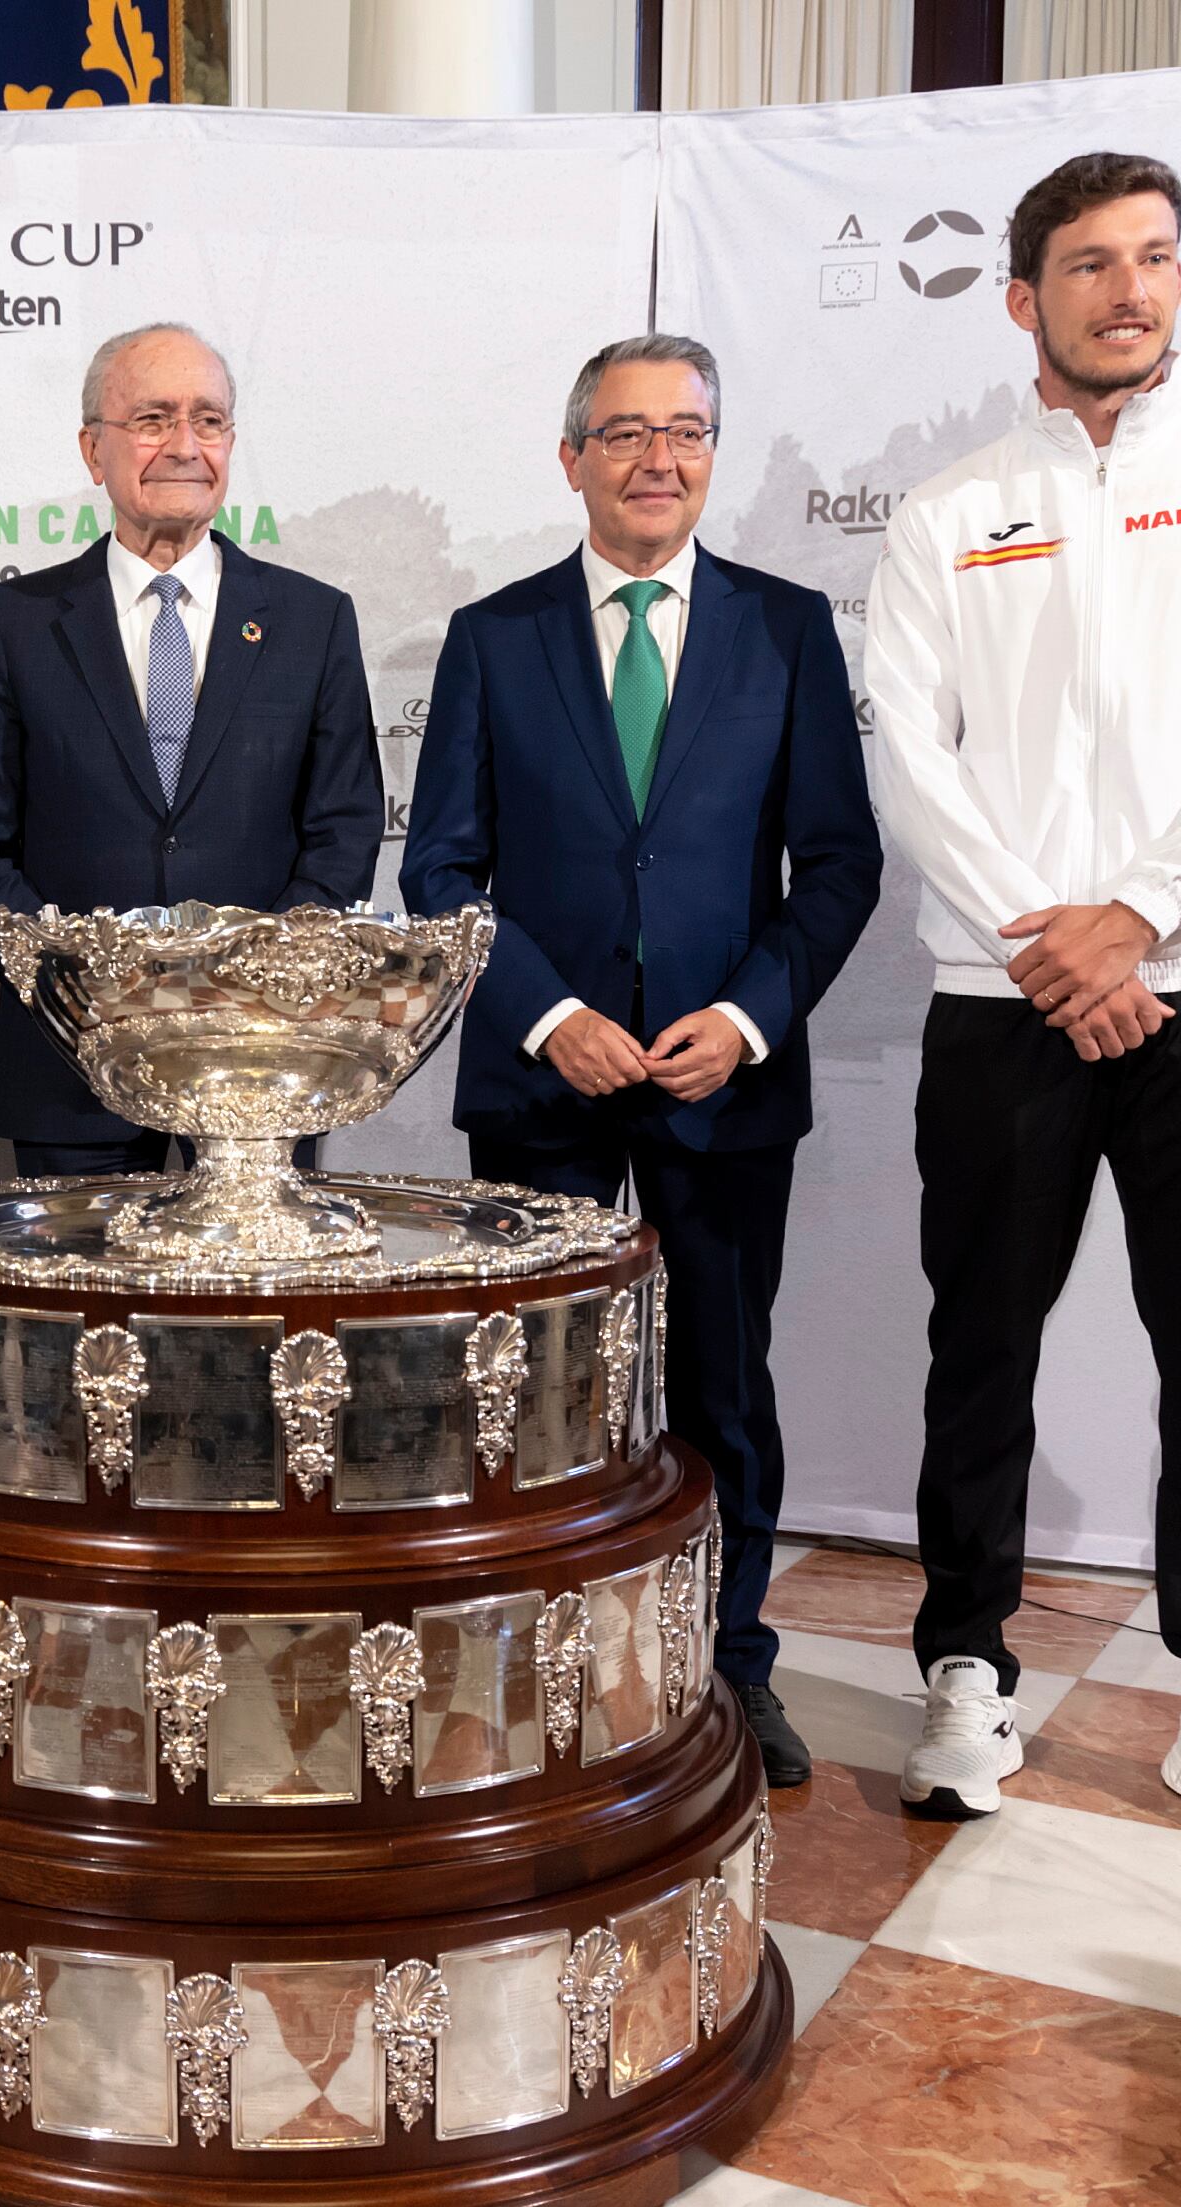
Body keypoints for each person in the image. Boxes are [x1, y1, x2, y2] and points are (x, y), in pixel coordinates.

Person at [863, 152, 1181, 1862]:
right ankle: (961, 1665)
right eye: (1086, 265)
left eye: (1152, 257)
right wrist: (1048, 945)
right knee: (975, 1355)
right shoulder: (941, 512)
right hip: (1000, 1002)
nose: (1127, 291)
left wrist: (1135, 919)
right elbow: (911, 760)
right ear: (1022, 299)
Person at [403, 335, 883, 1791]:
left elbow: (838, 864)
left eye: (682, 432)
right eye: (622, 433)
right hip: (544, 1081)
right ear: (570, 459)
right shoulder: (492, 636)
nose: (654, 458)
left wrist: (740, 1018)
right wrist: (552, 1016)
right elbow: (439, 871)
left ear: (710, 456)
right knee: (534, 1397)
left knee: (720, 1387)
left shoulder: (786, 629)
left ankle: (728, 1666)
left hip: (718, 1081)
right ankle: (530, 1668)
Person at [0, 323, 385, 1173]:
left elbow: (342, 827)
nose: (184, 445)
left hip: (262, 1063)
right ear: (92, 448)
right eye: (152, 418)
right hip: (74, 1062)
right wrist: (83, 992)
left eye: (208, 420)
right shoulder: (15, 625)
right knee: (86, 1308)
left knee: (247, 1312)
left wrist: (256, 989)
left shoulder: (312, 619)